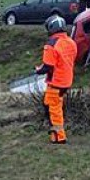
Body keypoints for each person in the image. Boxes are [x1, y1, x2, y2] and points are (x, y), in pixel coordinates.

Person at [34, 14, 78, 144]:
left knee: (54, 110)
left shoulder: (51, 45)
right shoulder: (71, 42)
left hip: (55, 82)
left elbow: (48, 67)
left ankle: (59, 137)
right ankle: (55, 134)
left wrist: (37, 70)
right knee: (49, 105)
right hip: (66, 80)